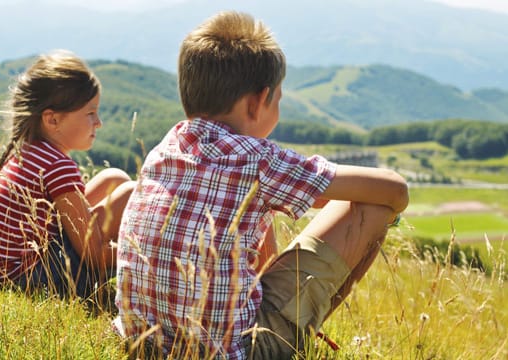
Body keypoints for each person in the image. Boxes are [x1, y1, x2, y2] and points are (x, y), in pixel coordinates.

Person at [114, 11, 409, 359]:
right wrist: (388, 213)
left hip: (141, 343)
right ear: (257, 102)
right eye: (278, 99)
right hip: (232, 353)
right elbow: (395, 190)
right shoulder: (258, 159)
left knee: (254, 213)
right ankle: (300, 337)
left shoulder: (167, 147)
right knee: (371, 208)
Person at [0, 50, 136, 299]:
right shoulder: (57, 166)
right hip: (33, 280)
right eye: (90, 113)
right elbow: (93, 254)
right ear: (52, 120)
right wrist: (138, 255)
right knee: (130, 193)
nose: (99, 122)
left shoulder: (28, 149)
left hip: (7, 271)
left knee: (113, 178)